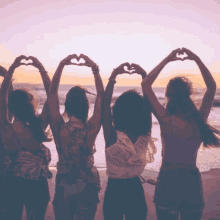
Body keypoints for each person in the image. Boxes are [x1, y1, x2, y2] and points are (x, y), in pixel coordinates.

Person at [141, 48, 220, 220]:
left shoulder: (166, 120)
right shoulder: (198, 120)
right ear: (188, 94)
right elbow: (212, 86)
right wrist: (196, 59)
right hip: (191, 179)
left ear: (168, 95)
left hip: (168, 178)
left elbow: (146, 85)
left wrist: (168, 59)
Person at [48, 54, 104, 220]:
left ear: (67, 105)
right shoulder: (90, 129)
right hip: (87, 186)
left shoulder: (60, 128)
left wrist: (61, 65)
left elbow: (52, 94)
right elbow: (102, 97)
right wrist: (95, 70)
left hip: (64, 184)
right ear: (86, 106)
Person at [102, 62, 157, 220]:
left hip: (114, 189)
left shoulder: (112, 137)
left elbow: (104, 109)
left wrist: (113, 77)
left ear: (117, 112)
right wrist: (144, 78)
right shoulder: (144, 136)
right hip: (135, 189)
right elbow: (148, 107)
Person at [0, 55, 52, 220]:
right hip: (38, 185)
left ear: (11, 107)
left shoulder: (7, 129)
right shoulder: (38, 127)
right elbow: (52, 98)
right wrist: (41, 69)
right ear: (30, 106)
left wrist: (10, 73)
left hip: (13, 184)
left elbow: (2, 100)